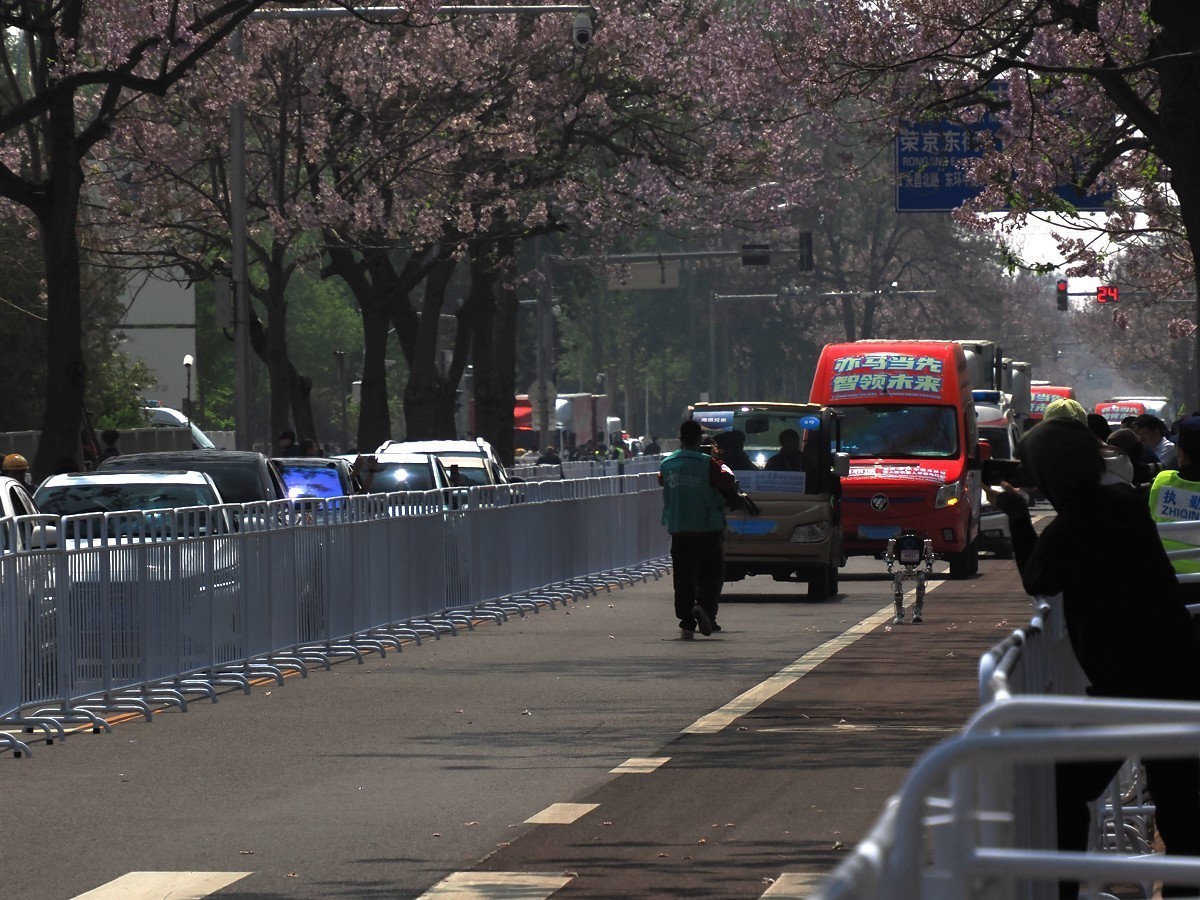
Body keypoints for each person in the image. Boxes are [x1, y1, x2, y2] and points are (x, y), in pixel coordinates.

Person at [990, 416, 1200, 899]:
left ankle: (1061, 892)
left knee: (1064, 792)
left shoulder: (1080, 520)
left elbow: (1038, 577)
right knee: (1180, 801)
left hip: (1127, 687)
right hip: (1177, 668)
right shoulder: (1121, 502)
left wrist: (1018, 515)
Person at [659, 419, 737, 639]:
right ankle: (704, 607)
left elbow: (662, 481)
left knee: (683, 577)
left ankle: (686, 620)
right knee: (711, 574)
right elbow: (727, 480)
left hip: (679, 528)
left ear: (680, 438)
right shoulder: (709, 464)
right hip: (707, 528)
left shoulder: (667, 464)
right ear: (699, 439)